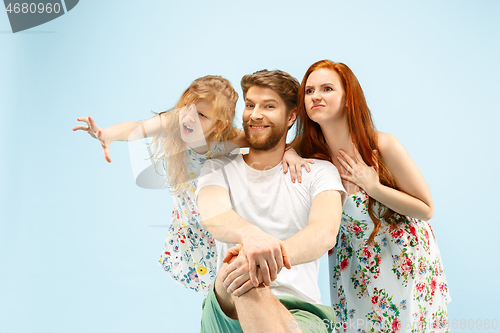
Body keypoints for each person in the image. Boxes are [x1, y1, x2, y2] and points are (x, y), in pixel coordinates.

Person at [72, 75, 310, 295]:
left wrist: (290, 151)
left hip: (220, 220)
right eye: (188, 109)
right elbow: (136, 127)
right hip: (190, 225)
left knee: (238, 280)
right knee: (214, 286)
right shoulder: (174, 122)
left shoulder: (229, 138)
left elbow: (268, 141)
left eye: (202, 116)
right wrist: (108, 134)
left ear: (219, 125)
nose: (189, 118)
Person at [292, 60, 451, 332]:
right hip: (353, 267)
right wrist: (289, 153)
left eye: (327, 88)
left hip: (403, 258)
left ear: (347, 99)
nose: (315, 96)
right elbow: (268, 152)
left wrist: (374, 187)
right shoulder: (310, 156)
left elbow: (426, 209)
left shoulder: (381, 144)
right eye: (309, 91)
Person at [196, 69, 347, 333]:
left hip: (299, 312)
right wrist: (252, 239)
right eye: (250, 105)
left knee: (246, 264)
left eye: (269, 106)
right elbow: (214, 216)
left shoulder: (320, 172)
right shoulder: (216, 168)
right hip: (227, 304)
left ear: (291, 117)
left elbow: (324, 232)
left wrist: (260, 258)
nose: (255, 114)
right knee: (240, 267)